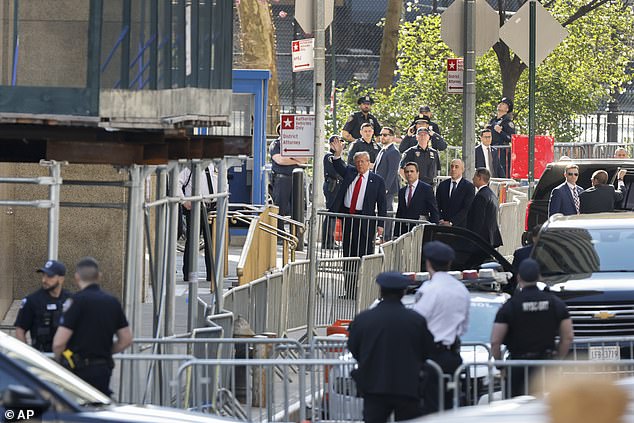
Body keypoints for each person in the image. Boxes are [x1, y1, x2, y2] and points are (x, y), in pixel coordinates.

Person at [347, 272, 435, 422]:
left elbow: (354, 347)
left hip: (374, 386)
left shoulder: (364, 319)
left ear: (381, 291)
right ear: (403, 292)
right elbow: (427, 350)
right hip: (407, 386)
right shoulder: (416, 320)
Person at [491, 259, 573, 397]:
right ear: (539, 277)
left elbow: (495, 342)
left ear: (518, 277)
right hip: (546, 366)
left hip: (517, 366)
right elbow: (568, 336)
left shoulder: (510, 306)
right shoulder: (555, 303)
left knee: (519, 411)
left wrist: (501, 366)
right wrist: (558, 358)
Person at [53, 257, 132, 396]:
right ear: (99, 276)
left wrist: (60, 362)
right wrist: (106, 351)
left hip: (77, 368)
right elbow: (126, 339)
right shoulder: (112, 301)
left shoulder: (76, 301)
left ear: (77, 277)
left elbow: (59, 342)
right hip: (103, 368)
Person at [412, 241, 470, 414]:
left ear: (428, 263)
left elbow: (417, 321)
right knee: (450, 407)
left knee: (430, 408)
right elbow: (464, 327)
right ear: (449, 264)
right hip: (452, 355)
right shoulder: (461, 290)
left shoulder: (429, 290)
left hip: (430, 357)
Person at [329, 138, 387, 298]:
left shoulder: (377, 181)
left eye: (363, 161)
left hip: (366, 222)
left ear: (369, 162)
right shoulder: (350, 173)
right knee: (348, 256)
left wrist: (381, 224)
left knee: (364, 257)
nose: (360, 164)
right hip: (349, 219)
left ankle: (363, 291)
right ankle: (349, 291)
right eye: (357, 162)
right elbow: (338, 165)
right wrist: (338, 153)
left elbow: (382, 205)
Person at [14, 260, 71, 352]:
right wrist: (28, 355)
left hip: (66, 358)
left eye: (49, 276)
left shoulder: (71, 300)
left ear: (61, 279)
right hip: (42, 356)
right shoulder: (32, 300)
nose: (44, 280)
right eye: (43, 275)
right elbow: (20, 330)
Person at [179, 162, 218, 282]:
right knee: (192, 241)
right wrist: (184, 201)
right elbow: (177, 183)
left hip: (213, 206)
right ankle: (189, 274)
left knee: (212, 242)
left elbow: (223, 184)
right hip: (196, 206)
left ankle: (212, 274)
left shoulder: (214, 165)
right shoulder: (190, 166)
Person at [269, 124, 309, 232]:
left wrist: (289, 156)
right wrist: (296, 159)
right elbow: (280, 160)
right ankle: (279, 233)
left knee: (297, 208)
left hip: (297, 180)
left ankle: (297, 234)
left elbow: (305, 159)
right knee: (280, 208)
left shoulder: (296, 144)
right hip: (282, 179)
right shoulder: (276, 144)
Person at [395, 162, 439, 236]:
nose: (409, 174)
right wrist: (396, 233)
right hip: (404, 232)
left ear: (417, 173)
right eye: (407, 172)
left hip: (420, 230)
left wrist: (434, 230)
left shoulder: (426, 189)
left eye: (412, 171)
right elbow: (399, 213)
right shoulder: (402, 191)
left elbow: (433, 210)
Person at [374, 127, 401, 239]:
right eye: (381, 134)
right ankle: (381, 234)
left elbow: (392, 172)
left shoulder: (394, 151)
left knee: (387, 211)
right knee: (381, 211)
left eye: (385, 135)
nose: (382, 137)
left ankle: (386, 236)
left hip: (387, 189)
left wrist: (385, 188)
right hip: (379, 187)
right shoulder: (382, 150)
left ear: (392, 137)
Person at [466, 168, 503, 248]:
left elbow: (479, 220)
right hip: (490, 238)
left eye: (474, 176)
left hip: (481, 240)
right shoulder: (491, 194)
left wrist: (473, 239)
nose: (472, 179)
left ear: (479, 178)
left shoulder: (481, 196)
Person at [436, 159, 475, 228]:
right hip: (442, 226)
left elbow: (466, 209)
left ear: (462, 169)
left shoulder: (469, 187)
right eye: (452, 166)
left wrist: (451, 223)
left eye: (456, 167)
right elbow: (437, 205)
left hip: (460, 227)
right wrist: (441, 220)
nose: (453, 169)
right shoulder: (443, 185)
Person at [322, 135, 344, 248]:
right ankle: (327, 241)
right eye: (337, 143)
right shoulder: (329, 156)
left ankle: (330, 240)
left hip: (336, 186)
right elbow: (334, 172)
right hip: (332, 186)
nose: (340, 145)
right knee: (331, 214)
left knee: (333, 214)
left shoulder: (336, 157)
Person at [487, 97, 515, 177]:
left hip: (501, 152)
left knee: (501, 173)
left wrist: (501, 132)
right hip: (491, 150)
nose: (500, 105)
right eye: (500, 103)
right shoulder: (492, 121)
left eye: (503, 104)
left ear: (507, 109)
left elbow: (511, 138)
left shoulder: (508, 122)